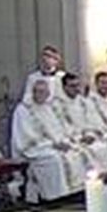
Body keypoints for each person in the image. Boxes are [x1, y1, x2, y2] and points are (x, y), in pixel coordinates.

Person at [11, 75, 88, 203]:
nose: (42, 95)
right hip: (35, 149)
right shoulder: (23, 110)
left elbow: (60, 128)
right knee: (56, 159)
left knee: (78, 152)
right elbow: (27, 137)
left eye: (45, 92)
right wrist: (52, 145)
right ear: (33, 92)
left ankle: (75, 191)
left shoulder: (49, 107)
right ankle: (55, 195)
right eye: (39, 91)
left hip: (55, 145)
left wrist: (66, 141)